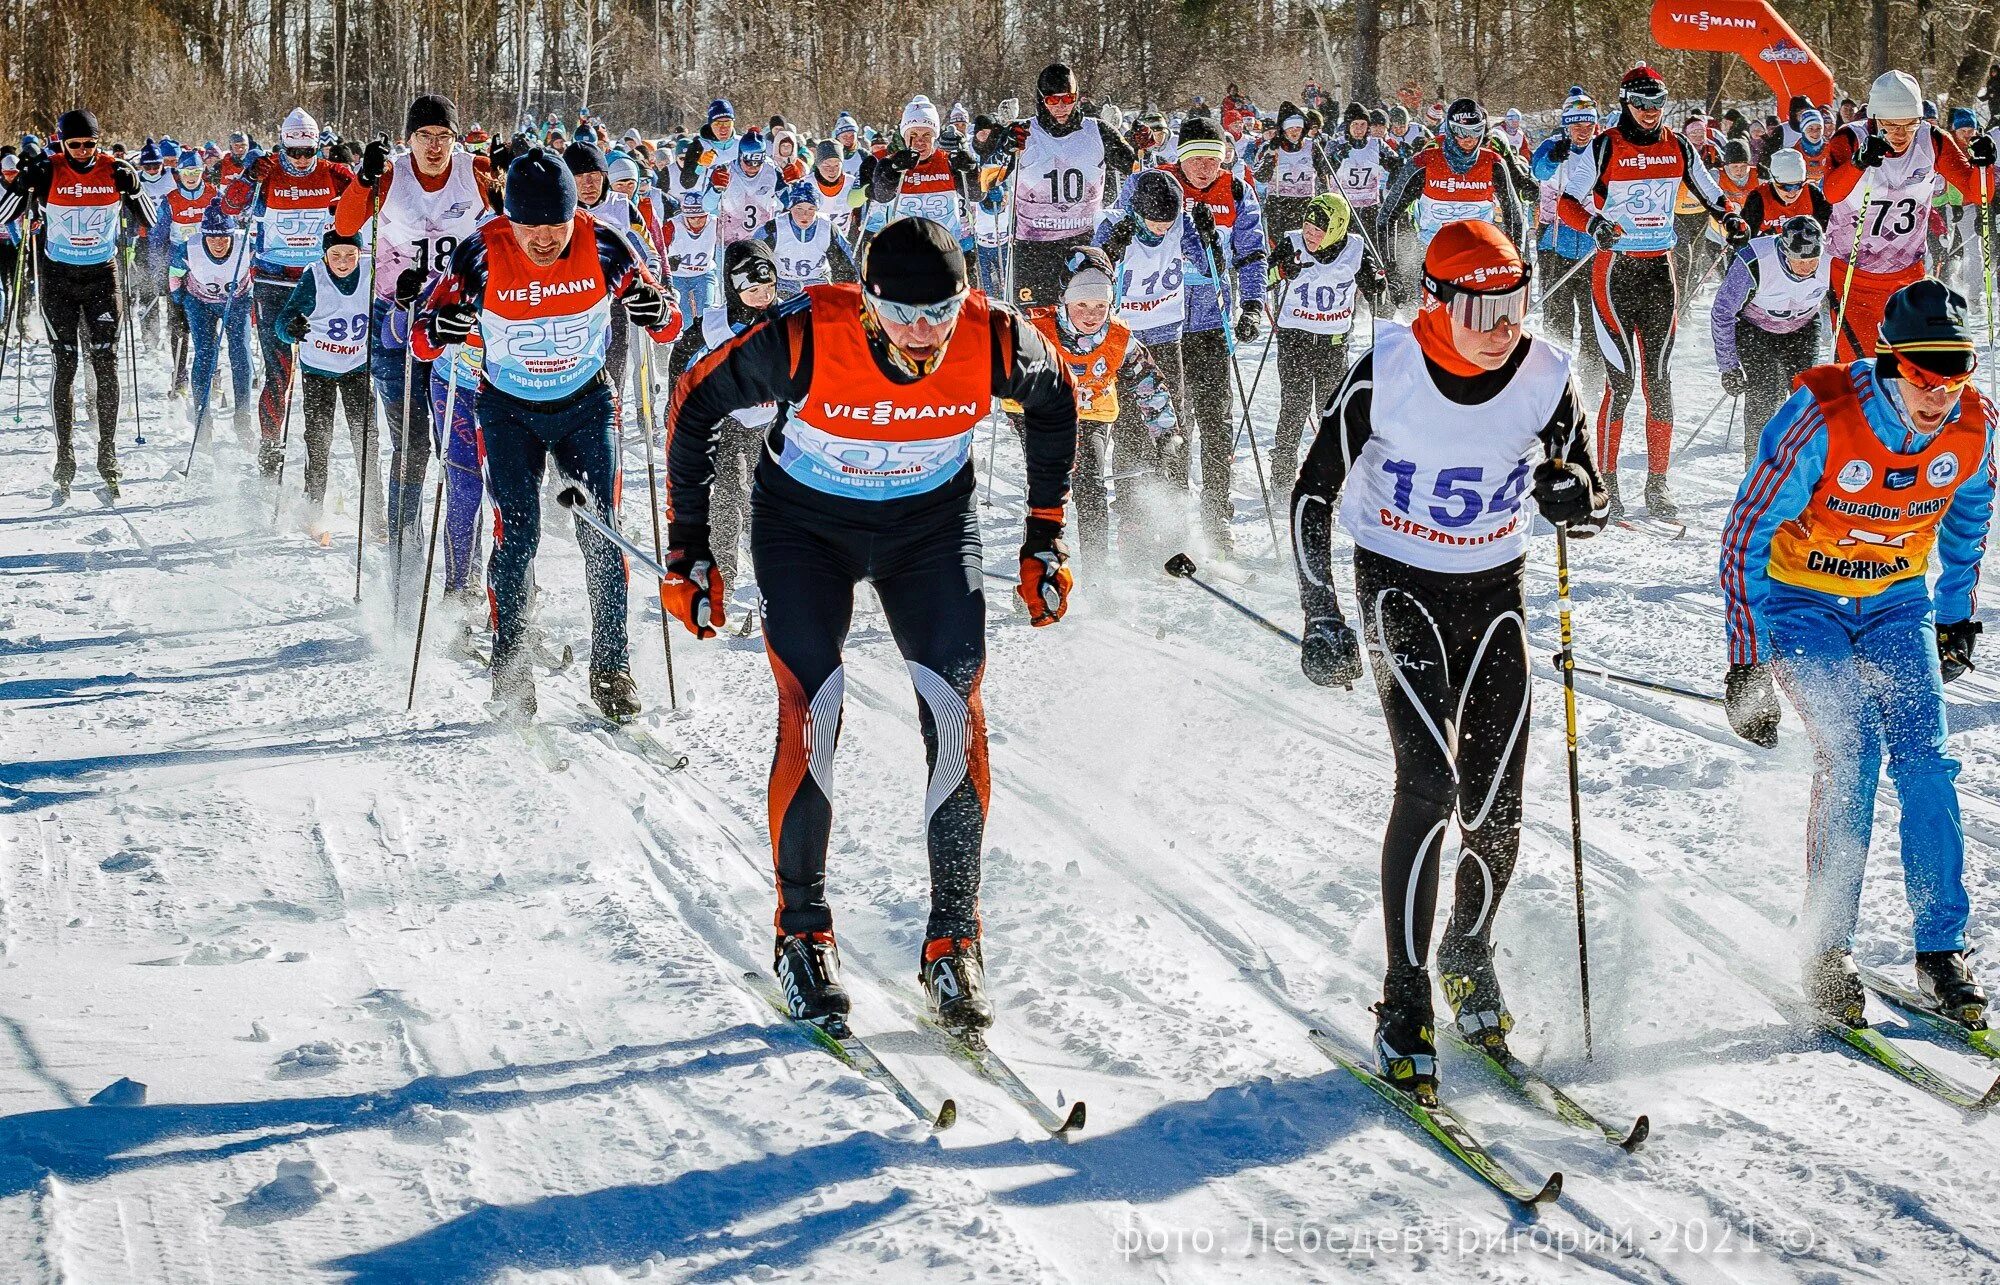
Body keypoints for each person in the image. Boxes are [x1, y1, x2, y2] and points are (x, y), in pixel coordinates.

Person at [660, 217, 1079, 1033]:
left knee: (956, 706)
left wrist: (1045, 533)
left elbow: (1058, 398)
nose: (924, 334)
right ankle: (803, 932)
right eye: (902, 315)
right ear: (867, 306)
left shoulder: (994, 339)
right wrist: (688, 550)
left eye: (941, 313)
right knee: (814, 706)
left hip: (928, 529)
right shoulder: (805, 337)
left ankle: (955, 940)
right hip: (805, 527)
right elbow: (694, 401)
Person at [1289, 218, 1607, 1097]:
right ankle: (1403, 990)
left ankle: (1468, 948)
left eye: (1516, 300)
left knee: (1498, 799)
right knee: (1429, 783)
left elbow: (1591, 493)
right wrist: (1320, 611)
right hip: (1398, 582)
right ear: (1436, 300)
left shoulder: (1546, 375)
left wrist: (1575, 494)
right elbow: (1313, 494)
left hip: (1493, 591)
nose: (1506, 322)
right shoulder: (1386, 371)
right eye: (1483, 306)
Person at [1720, 279, 1994, 1028]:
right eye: (1923, 373)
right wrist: (1746, 659)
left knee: (1927, 763)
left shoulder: (1973, 425)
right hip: (1801, 605)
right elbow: (1746, 531)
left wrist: (1956, 614)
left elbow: (1972, 513)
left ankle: (1942, 947)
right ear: (1887, 361)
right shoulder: (1824, 416)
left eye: (1957, 369)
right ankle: (1826, 948)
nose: (1940, 392)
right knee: (1853, 753)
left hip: (1896, 607)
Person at [411, 146, 680, 719]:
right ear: (508, 217)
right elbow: (421, 339)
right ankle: (510, 672)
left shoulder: (605, 242)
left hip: (586, 404)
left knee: (600, 533)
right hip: (507, 411)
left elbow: (669, 319)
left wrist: (655, 313)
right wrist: (442, 325)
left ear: (574, 215)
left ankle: (612, 669)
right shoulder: (480, 251)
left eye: (554, 225)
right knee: (519, 535)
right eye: (527, 226)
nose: (541, 239)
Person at [1560, 63, 1750, 521]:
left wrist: (1729, 217)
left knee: (1659, 383)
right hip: (1613, 274)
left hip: (1660, 272)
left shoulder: (1678, 145)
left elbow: (1711, 192)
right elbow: (1568, 202)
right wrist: (1594, 224)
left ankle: (1657, 485)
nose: (1650, 112)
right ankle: (1606, 482)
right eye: (1642, 104)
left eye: (1658, 104)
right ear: (1626, 102)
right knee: (1621, 383)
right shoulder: (1605, 146)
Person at [331, 93, 499, 564]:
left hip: (456, 324)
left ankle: (462, 560)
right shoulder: (390, 175)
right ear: (409, 138)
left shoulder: (476, 171)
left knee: (463, 448)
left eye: (444, 136)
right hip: (397, 320)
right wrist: (364, 178)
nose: (434, 146)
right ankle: (405, 546)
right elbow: (345, 226)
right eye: (425, 136)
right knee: (412, 441)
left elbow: (512, 221)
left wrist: (509, 178)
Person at [1121, 116, 1266, 555]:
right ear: (1180, 158)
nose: (1205, 168)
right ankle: (1164, 517)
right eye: (1196, 159)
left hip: (1209, 322)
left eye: (1213, 159)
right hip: (1162, 327)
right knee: (1169, 423)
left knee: (1216, 422)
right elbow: (1119, 220)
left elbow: (1252, 251)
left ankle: (1217, 517)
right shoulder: (1155, 185)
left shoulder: (1237, 191)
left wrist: (1253, 305)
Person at [0, 108, 156, 497]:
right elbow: (4, 216)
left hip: (103, 276)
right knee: (65, 363)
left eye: (90, 144)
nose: (83, 151)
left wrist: (134, 187)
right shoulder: (48, 170)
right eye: (75, 145)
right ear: (61, 142)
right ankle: (65, 453)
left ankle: (108, 452)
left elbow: (150, 220)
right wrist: (21, 185)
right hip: (58, 280)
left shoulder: (113, 169)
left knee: (105, 362)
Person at [1022, 245, 1182, 569]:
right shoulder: (1037, 330)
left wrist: (1166, 434)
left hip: (1093, 414)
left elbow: (1148, 383)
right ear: (1065, 300)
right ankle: (1040, 573)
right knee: (1051, 491)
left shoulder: (1119, 337)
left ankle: (1098, 578)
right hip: (1043, 418)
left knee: (1091, 487)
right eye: (1082, 304)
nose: (1092, 314)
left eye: (1101, 305)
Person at [216, 107, 353, 475]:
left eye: (309, 151)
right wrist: (247, 177)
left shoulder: (335, 174)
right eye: (294, 153)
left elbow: (368, 210)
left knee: (322, 368)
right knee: (280, 371)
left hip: (321, 283)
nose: (302, 160)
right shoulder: (267, 171)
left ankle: (317, 453)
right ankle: (270, 445)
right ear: (282, 147)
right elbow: (229, 207)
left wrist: (368, 177)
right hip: (274, 281)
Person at [1822, 70, 1994, 361]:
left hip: (1907, 275)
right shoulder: (1850, 138)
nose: (1901, 135)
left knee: (1906, 368)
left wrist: (1983, 165)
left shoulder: (1933, 140)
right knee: (1862, 369)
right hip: (1853, 278)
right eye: (1890, 126)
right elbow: (1832, 193)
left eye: (1909, 124)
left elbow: (1977, 192)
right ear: (1875, 119)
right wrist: (1858, 163)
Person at [663, 239, 780, 590]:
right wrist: (675, 400)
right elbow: (679, 360)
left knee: (768, 500)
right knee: (727, 495)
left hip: (774, 422)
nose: (763, 296)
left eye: (770, 287)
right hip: (728, 421)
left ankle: (777, 572)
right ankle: (723, 572)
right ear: (732, 286)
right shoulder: (712, 324)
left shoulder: (788, 318)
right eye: (754, 289)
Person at [979, 63, 1138, 304]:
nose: (1062, 108)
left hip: (1084, 243)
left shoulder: (1098, 131)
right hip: (1034, 248)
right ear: (1041, 100)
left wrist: (1140, 148)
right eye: (1053, 100)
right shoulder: (1022, 131)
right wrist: (1004, 149)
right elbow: (986, 183)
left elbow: (1139, 174)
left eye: (1069, 99)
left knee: (1085, 318)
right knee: (1036, 323)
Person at [1269, 191, 1384, 491]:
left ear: (1336, 229)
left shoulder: (1356, 249)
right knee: (1294, 407)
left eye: (1318, 231)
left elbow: (1374, 288)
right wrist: (1282, 271)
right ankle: (1281, 474)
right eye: (1308, 229)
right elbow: (1262, 278)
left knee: (1331, 409)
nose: (1311, 236)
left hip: (1333, 342)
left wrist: (1378, 287)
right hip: (1295, 339)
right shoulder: (1291, 243)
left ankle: (1329, 473)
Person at [274, 228, 381, 538]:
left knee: (366, 443)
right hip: (318, 368)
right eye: (336, 255)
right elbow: (284, 320)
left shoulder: (372, 272)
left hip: (356, 367)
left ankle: (376, 516)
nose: (344, 261)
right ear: (325, 255)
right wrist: (291, 328)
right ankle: (313, 509)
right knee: (319, 441)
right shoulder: (314, 277)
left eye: (351, 254)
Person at [1376, 98, 1528, 304]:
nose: (1469, 139)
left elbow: (1514, 217)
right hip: (1432, 257)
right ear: (1449, 130)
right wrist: (1391, 268)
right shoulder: (1423, 163)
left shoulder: (1493, 164)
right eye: (1461, 132)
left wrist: (1516, 260)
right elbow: (1387, 216)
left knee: (1475, 325)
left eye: (1476, 132)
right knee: (1438, 326)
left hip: (1478, 258)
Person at [1712, 216, 1829, 466]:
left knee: (1807, 394)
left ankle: (1805, 463)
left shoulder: (1831, 257)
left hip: (1803, 328)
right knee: (1765, 393)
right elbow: (1723, 312)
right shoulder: (1755, 260)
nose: (1808, 267)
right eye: (1800, 261)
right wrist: (1728, 366)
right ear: (1785, 253)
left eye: (1812, 260)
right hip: (1757, 329)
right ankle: (1756, 462)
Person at [1531, 90, 1604, 406]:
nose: (1583, 129)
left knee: (1593, 321)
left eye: (1588, 123)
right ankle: (1555, 385)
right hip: (1555, 244)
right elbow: (1537, 172)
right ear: (1566, 124)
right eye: (1576, 124)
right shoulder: (1551, 146)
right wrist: (1551, 158)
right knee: (1557, 319)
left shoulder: (1604, 149)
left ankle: (1591, 385)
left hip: (1593, 247)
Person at [171, 204, 255, 460]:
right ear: (203, 234)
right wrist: (177, 307)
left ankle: (243, 417)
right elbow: (175, 277)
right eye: (212, 237)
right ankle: (203, 421)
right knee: (205, 354)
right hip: (199, 302)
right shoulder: (187, 248)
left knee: (240, 352)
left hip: (237, 300)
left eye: (223, 237)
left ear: (232, 234)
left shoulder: (247, 244)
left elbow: (261, 269)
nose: (218, 243)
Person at [758, 180, 858, 298]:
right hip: (783, 285)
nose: (804, 215)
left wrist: (843, 293)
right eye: (799, 208)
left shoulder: (827, 228)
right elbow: (754, 254)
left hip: (818, 283)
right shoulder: (774, 228)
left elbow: (846, 265)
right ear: (790, 207)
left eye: (811, 209)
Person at [1254, 102, 1334, 239]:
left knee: (1305, 247)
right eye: (1290, 128)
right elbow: (1260, 176)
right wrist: (1271, 155)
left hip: (1305, 204)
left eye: (1298, 128)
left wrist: (1324, 201)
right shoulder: (1270, 147)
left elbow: (1323, 175)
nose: (1295, 132)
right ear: (1283, 130)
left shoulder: (1312, 147)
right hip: (1278, 206)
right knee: (1280, 250)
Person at [1740, 147, 1830, 235]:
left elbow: (1826, 231)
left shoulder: (1813, 194)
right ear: (1774, 182)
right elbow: (1746, 238)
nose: (1792, 192)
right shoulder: (1758, 198)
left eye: (1798, 185)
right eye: (1786, 187)